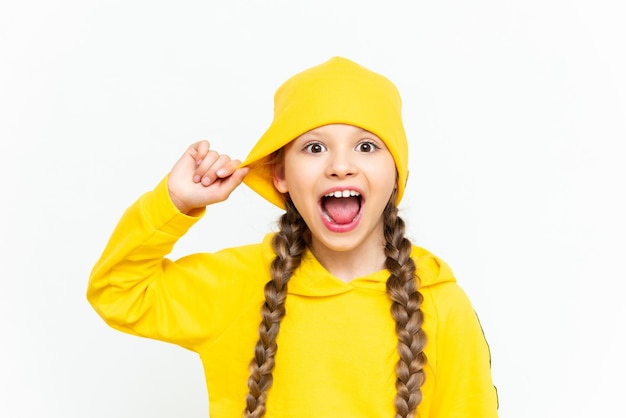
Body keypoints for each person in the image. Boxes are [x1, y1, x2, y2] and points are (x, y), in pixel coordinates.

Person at [87, 57, 498, 418]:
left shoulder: (443, 306)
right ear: (280, 174)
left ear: (395, 176)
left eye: (367, 146)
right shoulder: (239, 285)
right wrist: (174, 202)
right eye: (315, 147)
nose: (340, 166)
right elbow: (118, 292)